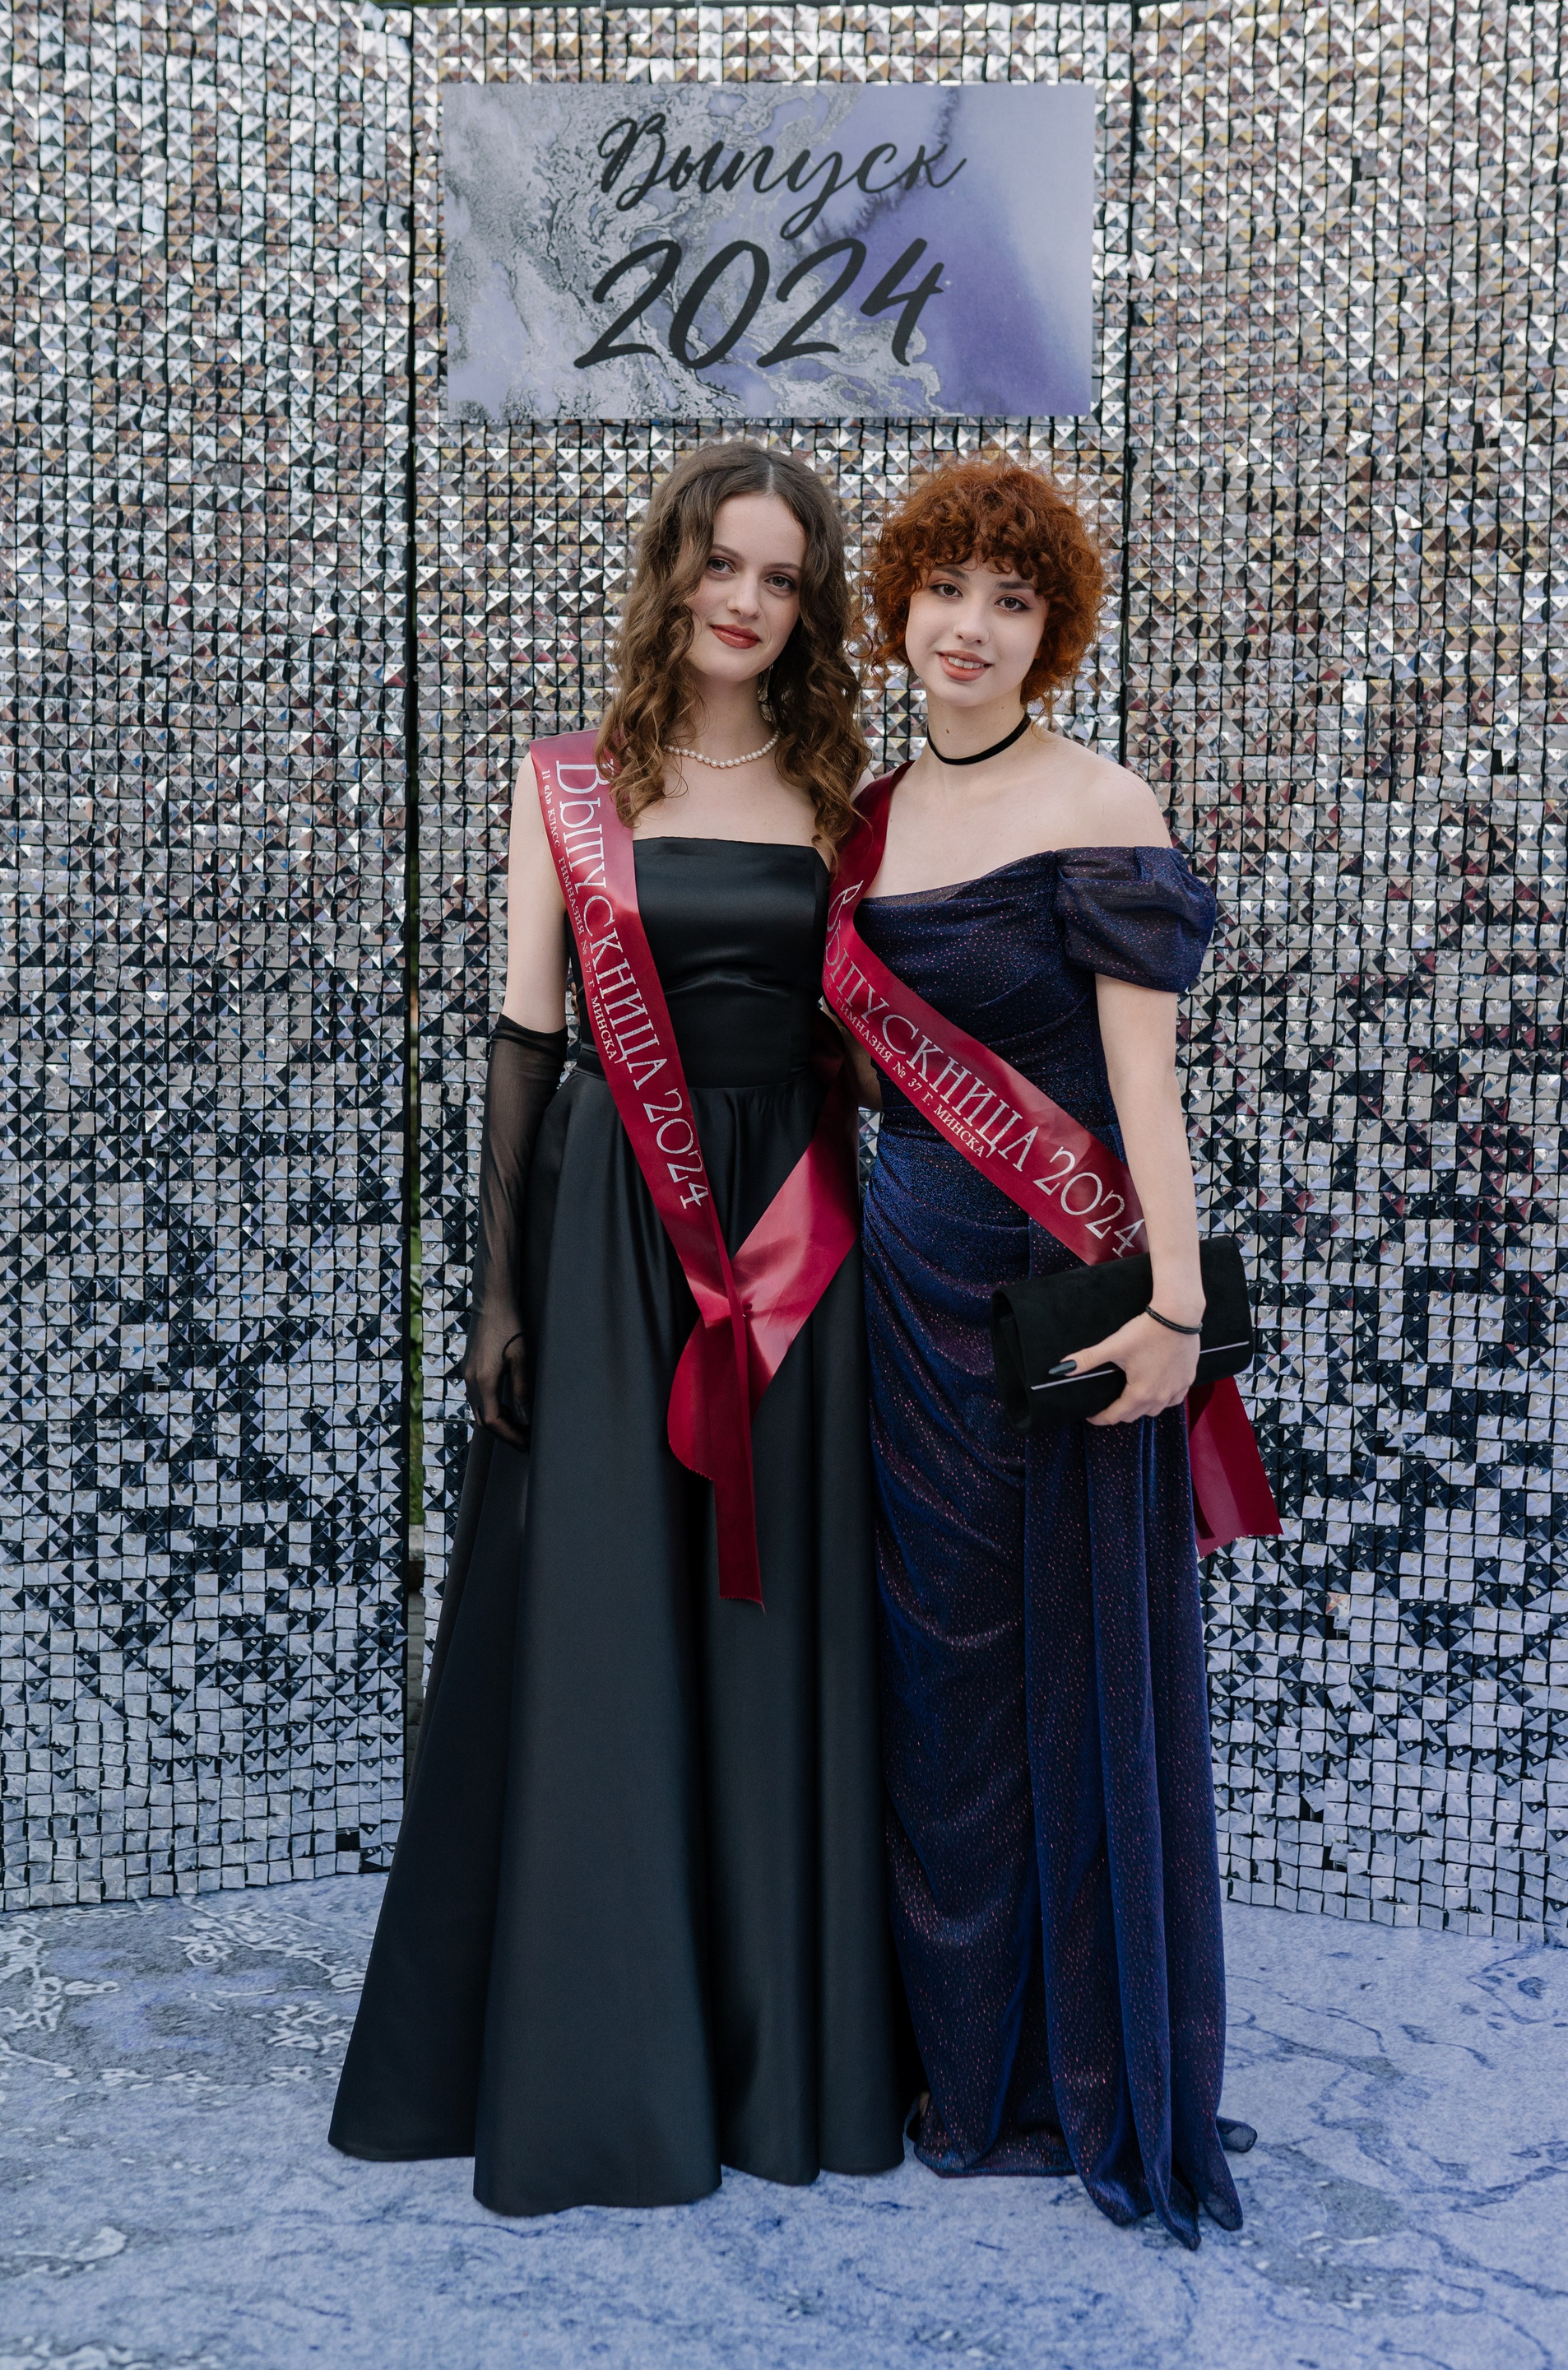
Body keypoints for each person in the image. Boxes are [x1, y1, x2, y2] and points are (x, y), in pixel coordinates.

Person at [329, 442, 904, 2215]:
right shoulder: (570, 782)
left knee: (770, 1617)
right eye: (722, 565)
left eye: (783, 578)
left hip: (793, 1239)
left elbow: (874, 1040)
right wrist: (500, 1292)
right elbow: (526, 1040)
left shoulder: (841, 790)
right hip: (612, 1232)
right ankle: (605, 2064)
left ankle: (775, 2057)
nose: (747, 601)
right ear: (671, 573)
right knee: (606, 1614)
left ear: (809, 607)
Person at [823, 457, 1268, 2249]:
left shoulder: (1103, 801)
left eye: (1013, 600)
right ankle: (958, 2058)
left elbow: (1145, 1087)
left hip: (1069, 1290)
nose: (971, 626)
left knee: (1076, 1667)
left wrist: (1178, 1309)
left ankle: (1081, 2068)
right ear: (901, 608)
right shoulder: (863, 821)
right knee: (935, 1684)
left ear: (1052, 631)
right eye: (947, 589)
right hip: (907, 1293)